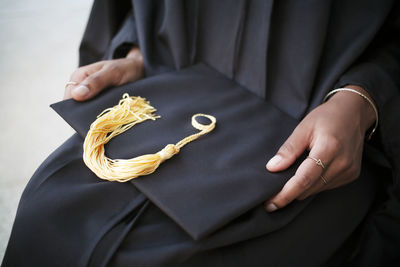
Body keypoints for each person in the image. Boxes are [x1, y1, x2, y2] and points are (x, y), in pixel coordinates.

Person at [3, 0, 400, 266]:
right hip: (168, 90)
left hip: (313, 134)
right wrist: (137, 52)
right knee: (45, 211)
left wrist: (364, 98)